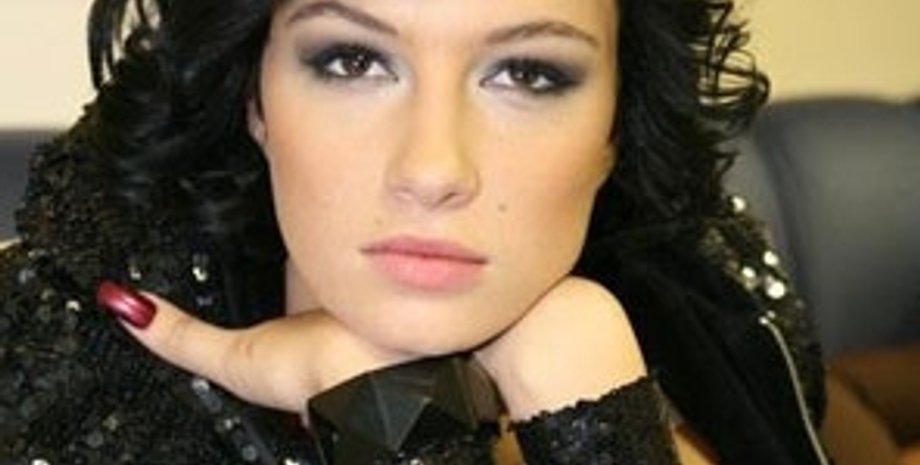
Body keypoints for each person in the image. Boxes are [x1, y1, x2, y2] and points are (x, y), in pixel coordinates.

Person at [0, 0, 830, 464]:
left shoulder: (712, 321)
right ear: (253, 97)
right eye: (353, 61)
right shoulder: (58, 381)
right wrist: (394, 423)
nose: (432, 169)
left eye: (528, 72)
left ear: (616, 122)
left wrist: (590, 400)